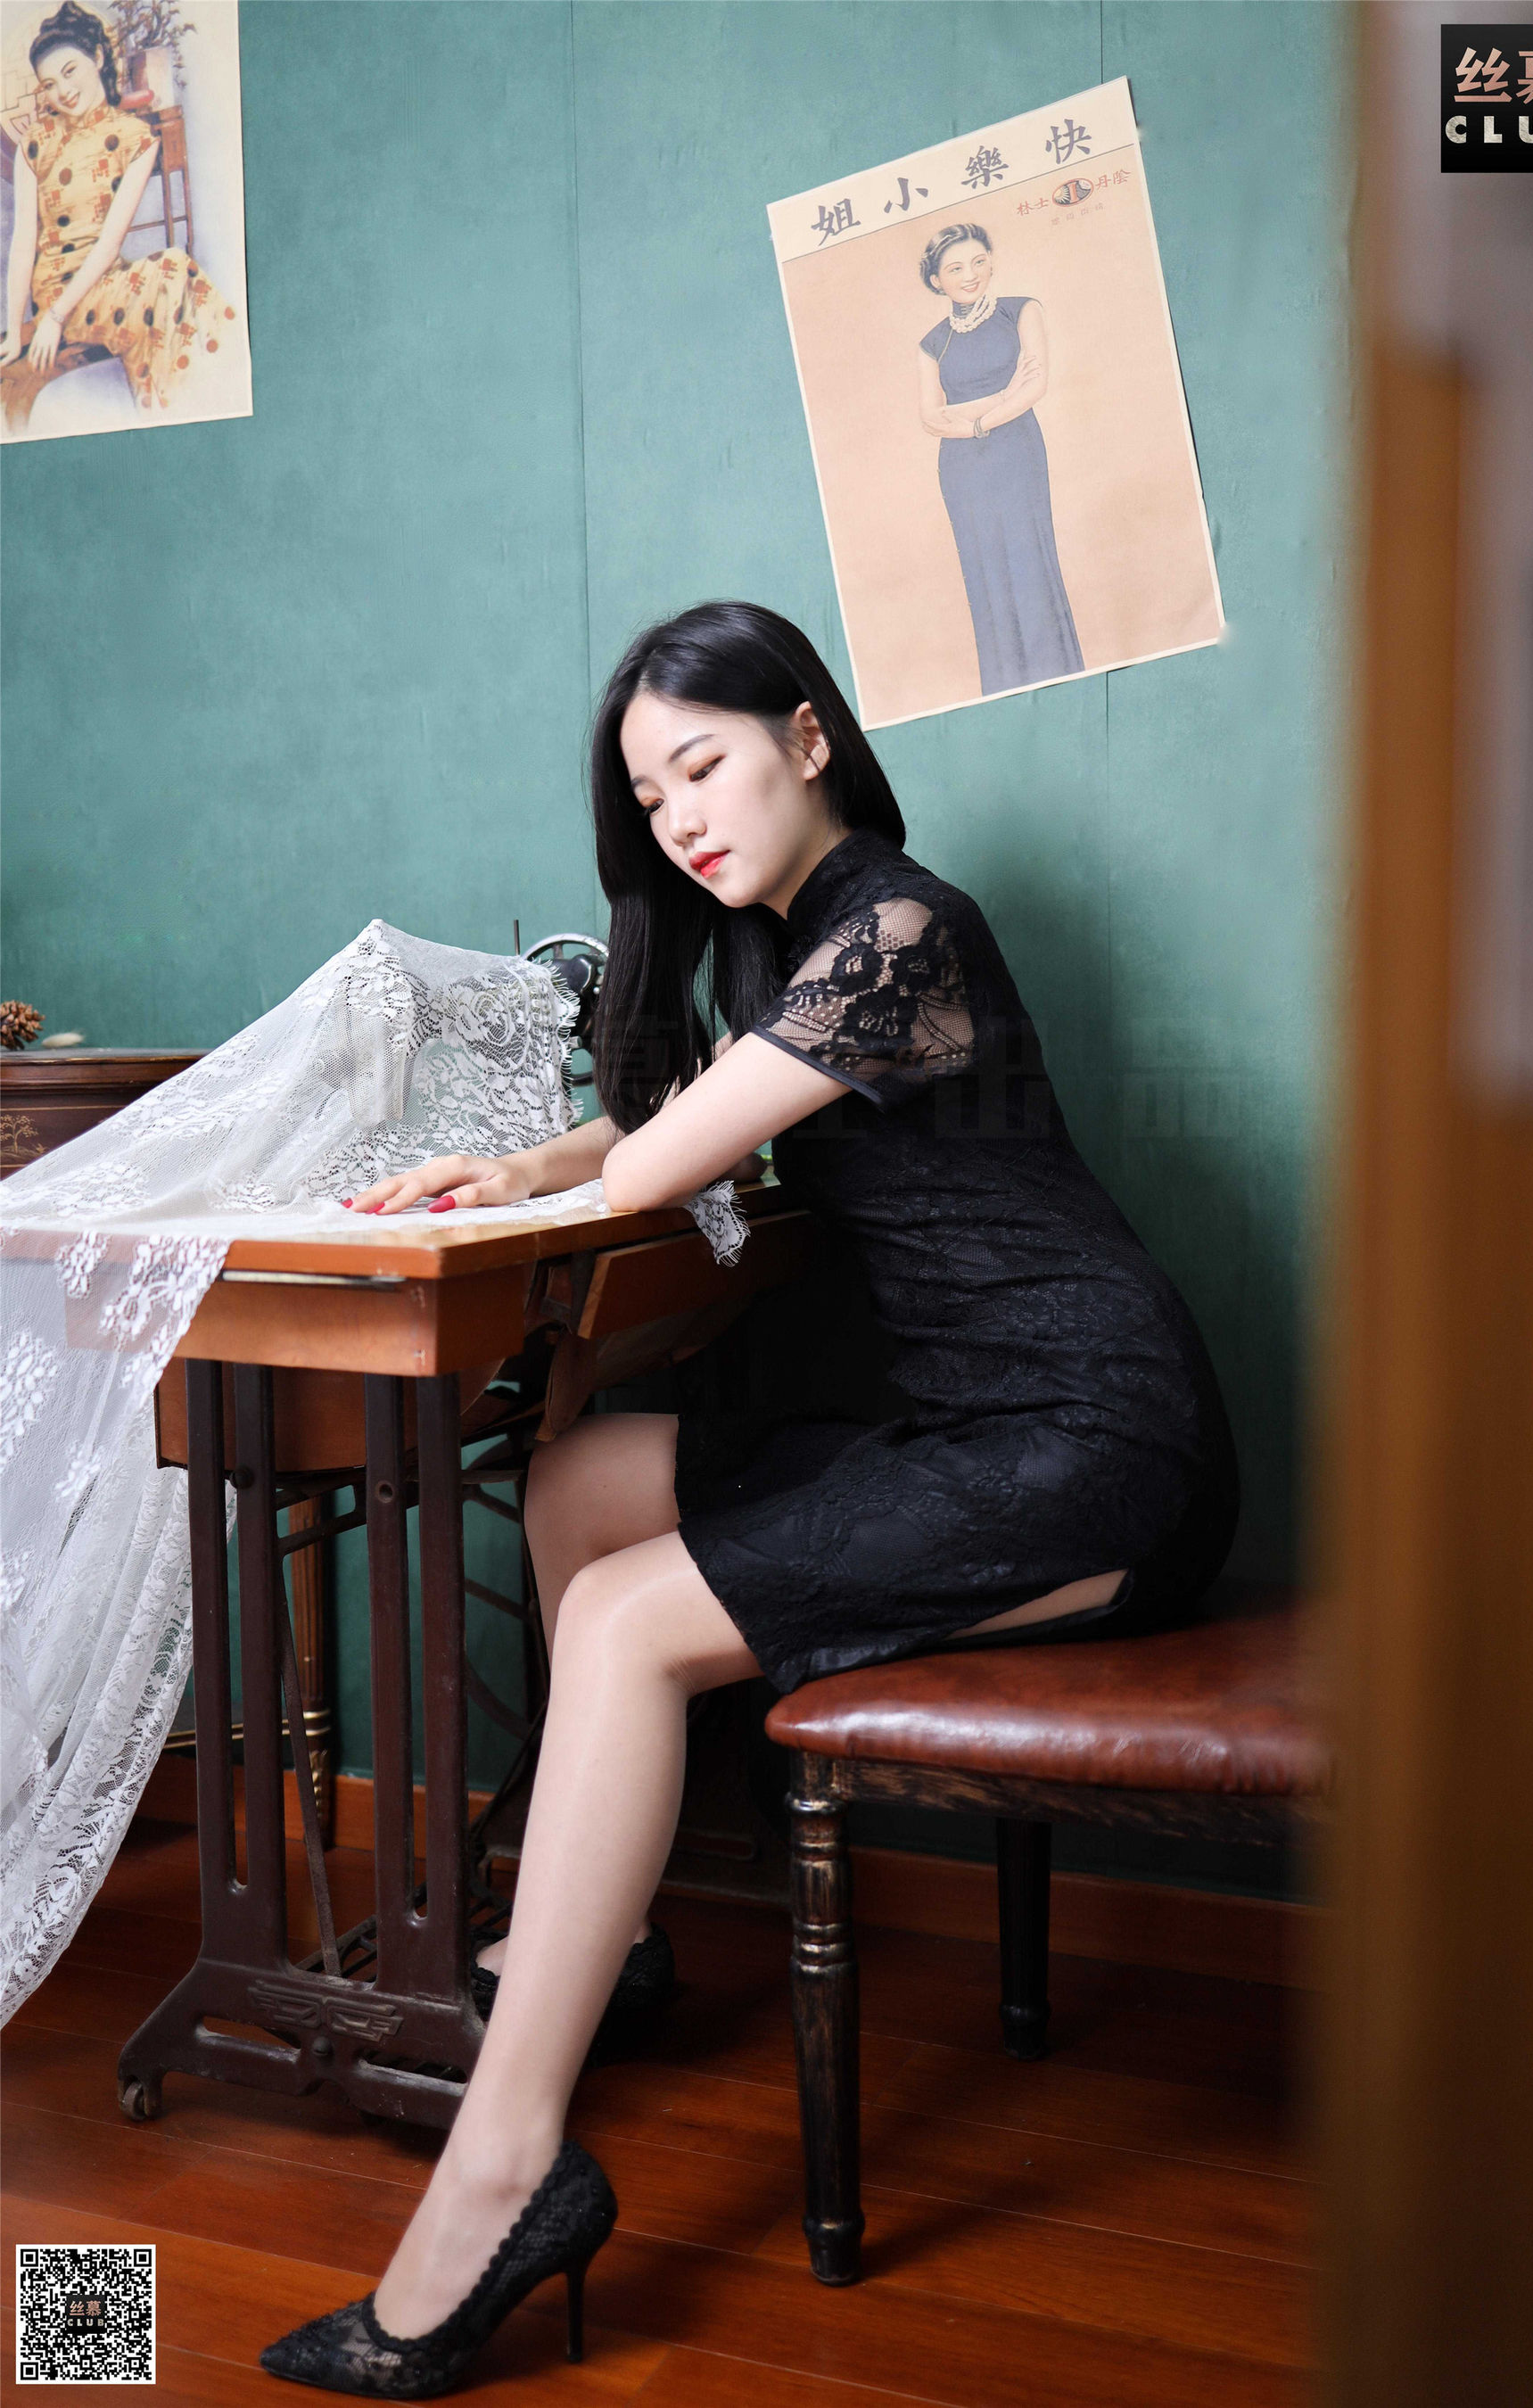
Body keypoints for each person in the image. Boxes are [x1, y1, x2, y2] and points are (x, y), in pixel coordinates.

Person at [260, 600, 1238, 2395]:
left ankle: (507, 2169)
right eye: (648, 799)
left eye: (700, 766)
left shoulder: (903, 928)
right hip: (975, 1419)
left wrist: (577, 1163)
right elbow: (713, 1111)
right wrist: (529, 1162)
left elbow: (668, 1161)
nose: (678, 819)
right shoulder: (816, 955)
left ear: (806, 735)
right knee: (583, 1478)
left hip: (1099, 1444)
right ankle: (613, 1939)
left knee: (631, 1622)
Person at [0, 3, 237, 424]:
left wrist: (56, 316)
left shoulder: (137, 138)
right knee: (174, 274)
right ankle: (185, 412)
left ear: (97, 57)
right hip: (57, 297)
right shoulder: (35, 143)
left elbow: (110, 244)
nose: (63, 92)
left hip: (106, 283)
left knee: (174, 279)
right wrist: (23, 328)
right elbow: (22, 245)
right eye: (50, 84)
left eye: (70, 71)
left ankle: (175, 409)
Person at [916, 222, 1085, 695]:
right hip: (962, 471)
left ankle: (1057, 678)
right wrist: (999, 402)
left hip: (1017, 455)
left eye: (978, 261)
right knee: (985, 573)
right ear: (937, 280)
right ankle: (1009, 687)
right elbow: (930, 418)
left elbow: (1036, 385)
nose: (970, 274)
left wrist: (975, 420)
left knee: (1031, 561)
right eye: (955, 268)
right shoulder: (932, 344)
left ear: (991, 260)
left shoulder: (1021, 310)